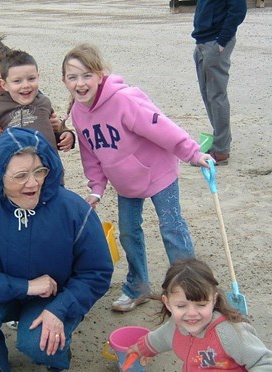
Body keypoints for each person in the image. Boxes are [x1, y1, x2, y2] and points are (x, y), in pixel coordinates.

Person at [61, 43, 214, 313]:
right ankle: (138, 286)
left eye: (86, 75)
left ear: (99, 75)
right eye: (72, 77)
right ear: (64, 81)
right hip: (125, 182)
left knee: (172, 228)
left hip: (158, 171)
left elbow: (162, 127)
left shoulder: (125, 100)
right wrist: (96, 188)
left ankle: (192, 289)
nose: (80, 83)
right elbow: (90, 154)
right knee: (129, 233)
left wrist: (192, 153)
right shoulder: (77, 113)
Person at [0, 128, 113, 372]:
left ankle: (57, 359)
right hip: (2, 291)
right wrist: (26, 286)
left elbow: (96, 273)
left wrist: (60, 308)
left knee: (39, 344)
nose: (33, 182)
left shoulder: (75, 210)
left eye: (40, 171)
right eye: (20, 175)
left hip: (53, 297)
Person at [127, 258, 272, 370]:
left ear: (214, 300)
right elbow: (157, 340)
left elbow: (264, 362)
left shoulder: (230, 332)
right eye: (181, 306)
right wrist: (138, 349)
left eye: (201, 304)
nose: (192, 313)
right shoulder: (174, 327)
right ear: (167, 303)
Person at [0, 36, 72, 154]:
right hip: (9, 164)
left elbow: (49, 127)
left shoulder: (34, 97)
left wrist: (62, 130)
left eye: (0, 70)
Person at [192, 0, 247, 165]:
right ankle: (220, 143)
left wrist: (222, 41)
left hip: (215, 42)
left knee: (216, 96)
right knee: (208, 95)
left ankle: (221, 150)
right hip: (203, 41)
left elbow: (238, 10)